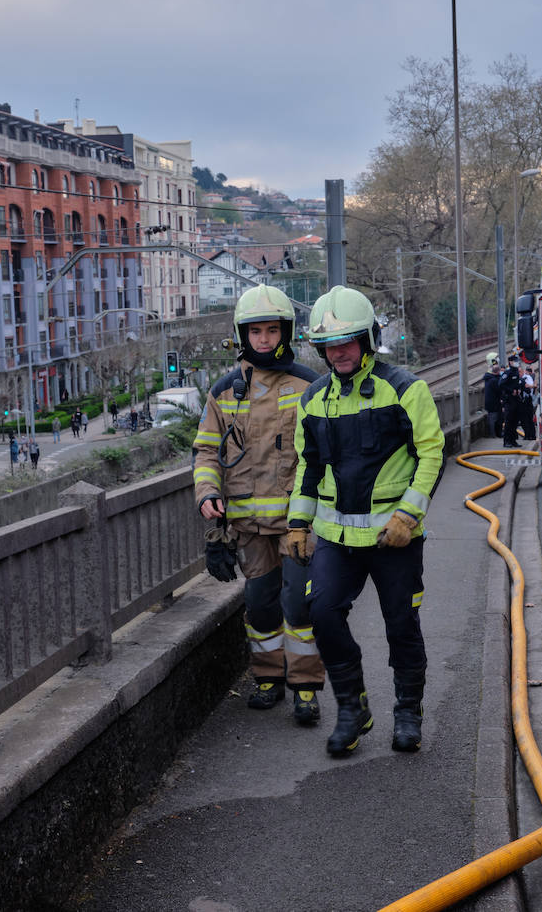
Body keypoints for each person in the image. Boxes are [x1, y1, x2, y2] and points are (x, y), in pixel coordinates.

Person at [287, 286, 445, 757]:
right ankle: (353, 710)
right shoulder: (313, 401)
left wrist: (408, 515)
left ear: (369, 339)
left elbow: (432, 452)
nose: (338, 352)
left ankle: (408, 712)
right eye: (330, 345)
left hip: (394, 537)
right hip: (336, 537)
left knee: (401, 623)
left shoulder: (405, 388)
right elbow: (307, 466)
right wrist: (298, 524)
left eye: (349, 341)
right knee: (322, 614)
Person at [193, 285, 325, 725]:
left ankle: (306, 688)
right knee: (261, 605)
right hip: (249, 528)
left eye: (272, 330)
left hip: (297, 525)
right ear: (242, 335)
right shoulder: (224, 392)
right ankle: (268, 679)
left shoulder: (309, 385)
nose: (264, 339)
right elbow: (207, 454)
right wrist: (208, 495)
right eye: (256, 331)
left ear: (285, 332)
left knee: (300, 607)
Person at [500, 354, 528, 447]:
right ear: (510, 362)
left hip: (516, 400)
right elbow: (501, 384)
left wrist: (519, 389)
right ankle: (506, 441)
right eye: (515, 361)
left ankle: (513, 441)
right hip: (509, 400)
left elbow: (517, 383)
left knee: (515, 421)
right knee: (509, 422)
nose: (516, 363)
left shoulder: (516, 372)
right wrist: (511, 391)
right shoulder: (507, 373)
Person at [482, 352, 503, 438]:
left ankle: (497, 433)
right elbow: (499, 389)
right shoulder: (492, 379)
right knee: (494, 419)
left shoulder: (491, 377)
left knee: (498, 419)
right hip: (493, 403)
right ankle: (493, 434)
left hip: (495, 402)